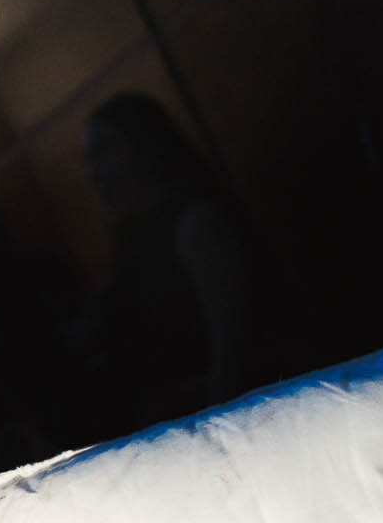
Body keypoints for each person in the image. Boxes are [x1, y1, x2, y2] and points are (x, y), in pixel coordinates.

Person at [70, 92, 281, 433]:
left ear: (144, 150)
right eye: (88, 161)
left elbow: (234, 352)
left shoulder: (197, 226)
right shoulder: (132, 247)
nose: (92, 174)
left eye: (102, 153)